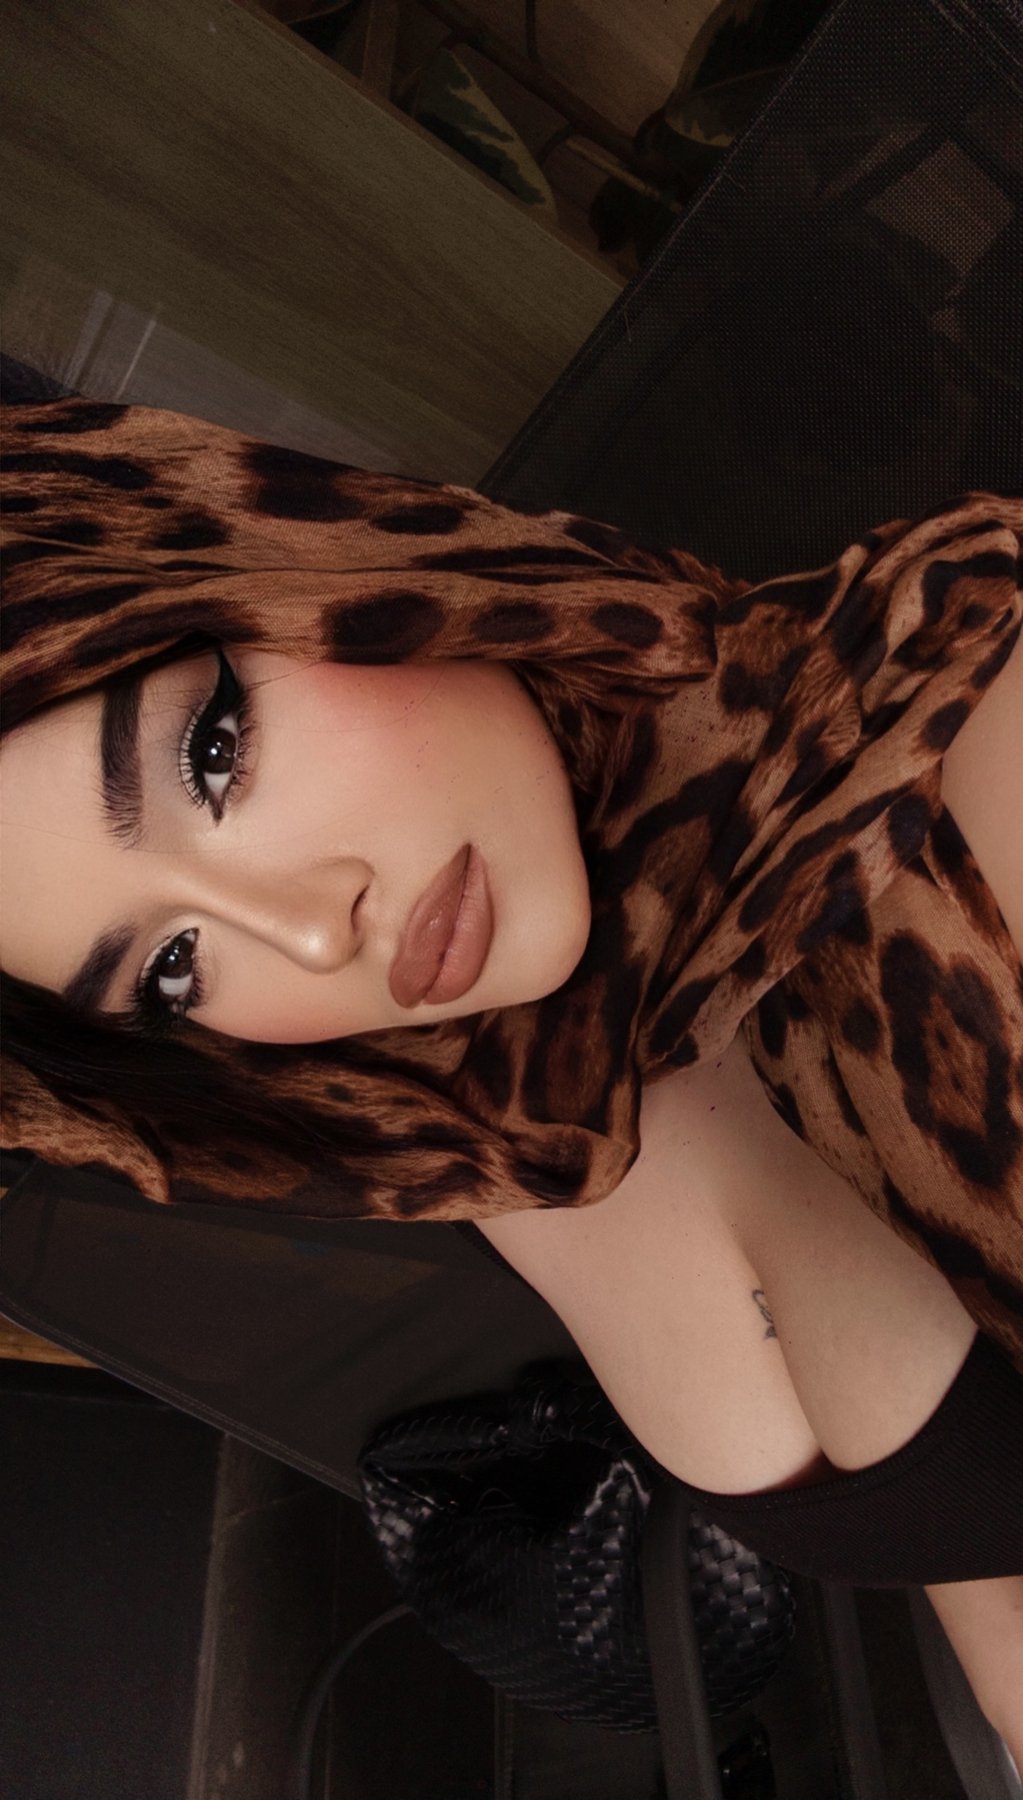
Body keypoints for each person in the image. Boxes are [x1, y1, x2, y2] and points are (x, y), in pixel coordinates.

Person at [2, 386, 1022, 1765]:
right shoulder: (494, 1115)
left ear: (325, 562)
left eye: (213, 753)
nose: (312, 934)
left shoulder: (966, 741)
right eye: (172, 967)